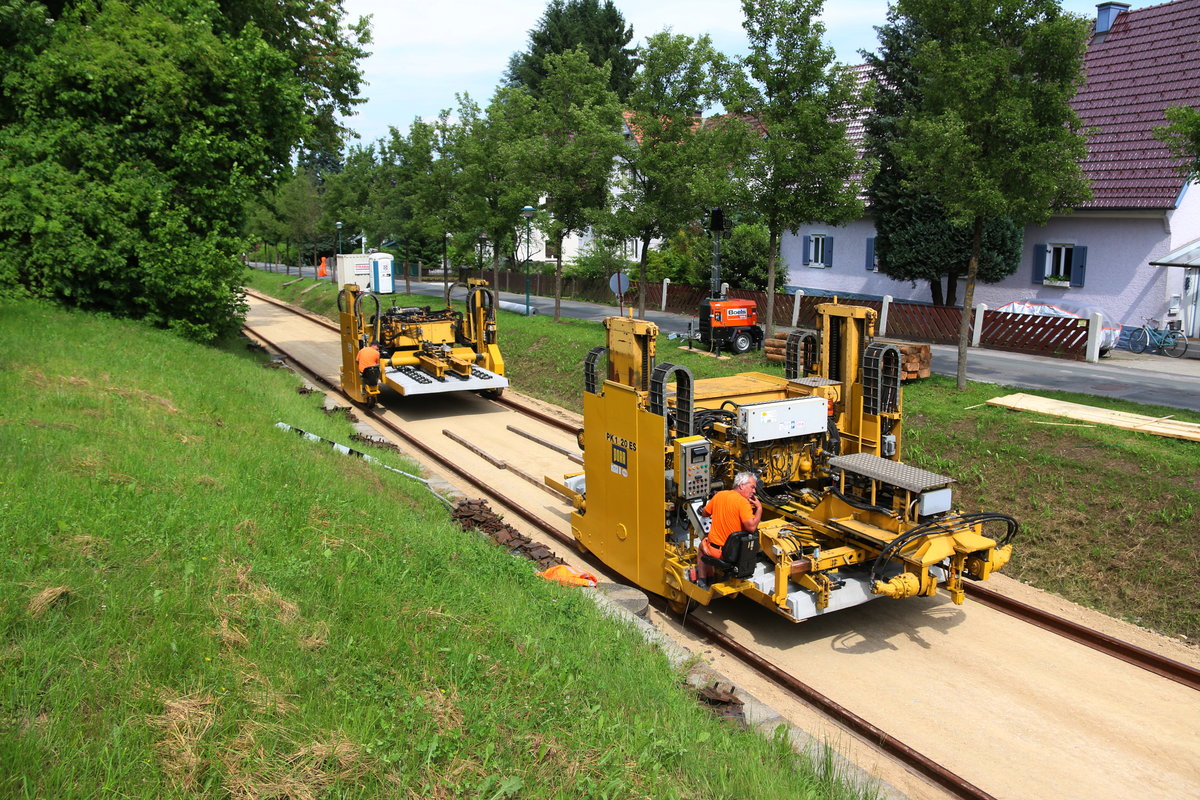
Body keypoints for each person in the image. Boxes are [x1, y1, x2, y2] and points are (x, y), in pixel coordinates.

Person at [694, 471, 762, 585]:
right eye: (752, 487)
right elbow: (752, 527)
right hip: (737, 553)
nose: (754, 491)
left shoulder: (719, 495)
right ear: (741, 485)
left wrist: (702, 509)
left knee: (702, 545)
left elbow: (705, 512)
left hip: (720, 553)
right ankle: (710, 578)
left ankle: (703, 581)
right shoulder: (743, 503)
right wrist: (759, 509)